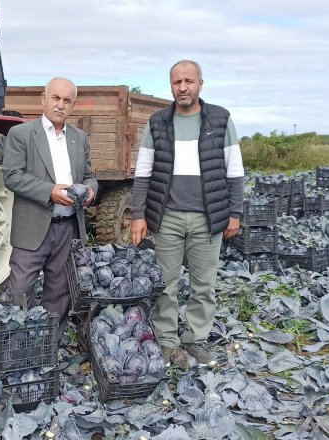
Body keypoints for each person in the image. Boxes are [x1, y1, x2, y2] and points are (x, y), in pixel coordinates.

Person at [130, 60, 244, 366]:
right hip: (167, 217)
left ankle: (196, 339)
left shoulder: (220, 119)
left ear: (200, 84)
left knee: (203, 284)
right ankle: (167, 341)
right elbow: (143, 173)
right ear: (171, 86)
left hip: (208, 219)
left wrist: (235, 212)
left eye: (189, 81)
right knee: (165, 283)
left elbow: (234, 170)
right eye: (177, 82)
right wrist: (138, 214)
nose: (183, 87)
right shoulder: (157, 122)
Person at [3, 77, 99, 340]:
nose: (60, 105)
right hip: (33, 226)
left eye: (67, 100)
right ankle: (19, 343)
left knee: (59, 291)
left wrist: (91, 189)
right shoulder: (21, 134)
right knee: (21, 289)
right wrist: (50, 191)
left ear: (73, 105)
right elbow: (11, 175)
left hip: (67, 227)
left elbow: (90, 175)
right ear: (44, 99)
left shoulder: (79, 138)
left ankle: (49, 347)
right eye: (55, 98)